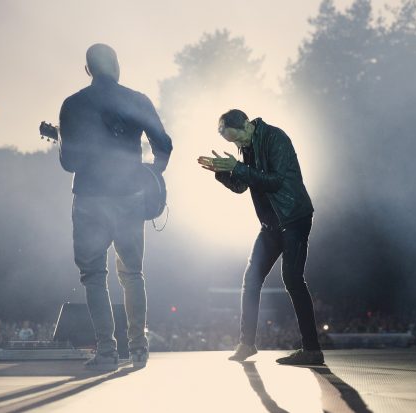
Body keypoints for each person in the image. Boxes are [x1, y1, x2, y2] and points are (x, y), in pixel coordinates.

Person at [59, 43, 173, 370]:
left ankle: (106, 352)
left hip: (90, 200)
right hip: (129, 198)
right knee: (133, 273)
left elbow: (69, 162)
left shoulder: (73, 104)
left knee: (94, 275)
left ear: (88, 70)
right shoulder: (136, 100)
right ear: (116, 65)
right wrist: (152, 173)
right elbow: (162, 144)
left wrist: (66, 145)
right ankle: (138, 348)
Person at [198, 109, 324, 365]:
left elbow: (276, 181)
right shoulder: (247, 146)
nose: (237, 145)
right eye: (231, 143)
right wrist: (222, 172)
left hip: (293, 217)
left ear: (248, 124)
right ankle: (247, 344)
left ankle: (312, 349)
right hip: (271, 224)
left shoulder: (275, 138)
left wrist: (238, 167)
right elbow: (241, 186)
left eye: (238, 138)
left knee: (292, 278)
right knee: (251, 278)